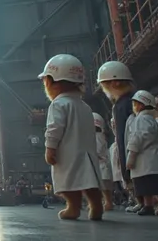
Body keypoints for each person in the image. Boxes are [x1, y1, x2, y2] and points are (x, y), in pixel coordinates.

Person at [41, 54, 103, 221]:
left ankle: (73, 207)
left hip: (67, 153)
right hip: (87, 152)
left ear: (52, 81)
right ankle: (96, 205)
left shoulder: (58, 104)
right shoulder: (84, 106)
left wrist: (50, 148)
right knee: (90, 181)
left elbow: (54, 128)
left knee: (69, 182)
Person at [97, 60, 142, 213]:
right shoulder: (128, 101)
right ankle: (141, 200)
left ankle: (147, 201)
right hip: (128, 147)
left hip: (133, 148)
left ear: (115, 83)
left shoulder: (127, 103)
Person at [126, 90, 158, 216]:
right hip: (152, 159)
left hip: (147, 158)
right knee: (153, 184)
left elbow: (141, 136)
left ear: (141, 105)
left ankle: (156, 206)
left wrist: (132, 153)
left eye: (135, 103)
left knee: (148, 184)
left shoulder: (142, 119)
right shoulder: (150, 118)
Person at [93, 113, 114, 211]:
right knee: (98, 185)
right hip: (97, 162)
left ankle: (108, 202)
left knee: (105, 184)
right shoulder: (97, 135)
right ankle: (103, 201)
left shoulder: (99, 136)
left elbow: (98, 148)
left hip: (102, 162)